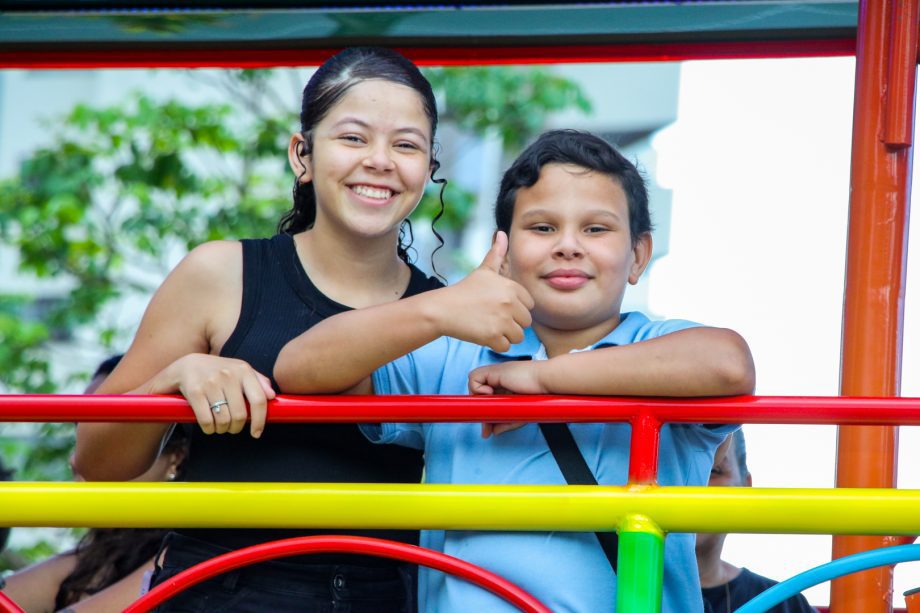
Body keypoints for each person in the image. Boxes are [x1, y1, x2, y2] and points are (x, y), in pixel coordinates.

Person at [275, 129, 757, 612]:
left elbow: (728, 363)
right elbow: (298, 369)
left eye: (596, 229)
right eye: (542, 228)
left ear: (638, 256)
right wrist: (439, 308)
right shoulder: (457, 356)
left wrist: (544, 380)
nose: (568, 246)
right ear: (502, 254)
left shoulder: (654, 349)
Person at [73, 47, 446, 611]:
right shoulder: (219, 274)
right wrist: (176, 377)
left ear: (429, 166)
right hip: (216, 591)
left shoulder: (445, 313)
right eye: (353, 138)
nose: (380, 161)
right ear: (303, 155)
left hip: (383, 597)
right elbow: (97, 463)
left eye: (406, 145)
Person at [1, 356, 188, 613]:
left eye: (108, 437)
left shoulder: (184, 553)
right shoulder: (98, 555)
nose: (76, 460)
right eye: (81, 433)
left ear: (176, 456)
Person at [698, 430, 817, 613]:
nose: (691, 486)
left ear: (745, 488)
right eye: (669, 473)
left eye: (714, 471)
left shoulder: (784, 604)